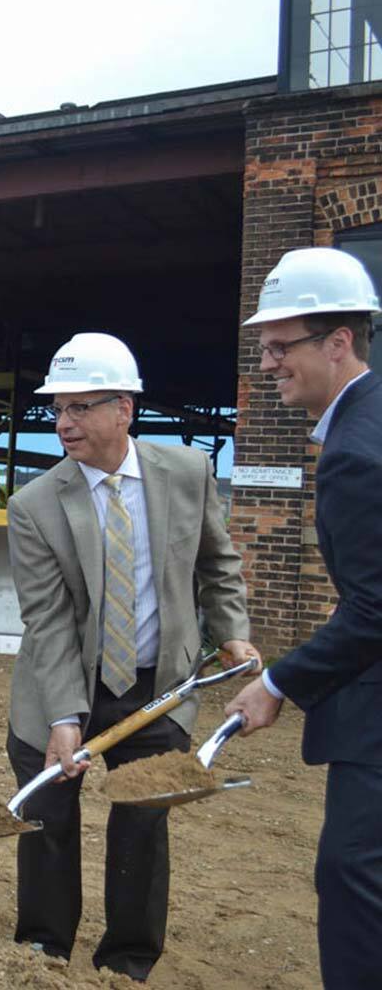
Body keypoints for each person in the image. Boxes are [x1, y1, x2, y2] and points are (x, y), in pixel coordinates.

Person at [5, 332, 257, 981]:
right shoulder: (34, 505)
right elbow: (49, 620)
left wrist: (230, 630)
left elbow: (216, 562)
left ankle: (127, 959)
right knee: (46, 818)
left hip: (157, 684)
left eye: (80, 408)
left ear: (125, 409)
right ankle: (44, 947)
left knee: (143, 821)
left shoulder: (185, 474)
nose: (63, 423)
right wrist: (65, 715)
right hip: (61, 682)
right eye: (58, 409)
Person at [224, 247, 382, 989]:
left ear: (339, 342)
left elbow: (376, 608)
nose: (267, 361)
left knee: (352, 877)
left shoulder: (357, 453)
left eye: (281, 346)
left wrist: (280, 682)